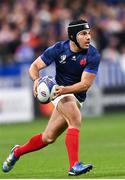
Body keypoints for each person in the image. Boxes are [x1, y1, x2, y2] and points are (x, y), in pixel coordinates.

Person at [2, 19, 101, 176]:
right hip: (58, 93)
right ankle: (74, 165)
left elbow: (85, 85)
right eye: (83, 34)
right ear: (73, 36)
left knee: (48, 138)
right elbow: (34, 67)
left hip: (71, 93)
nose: (88, 37)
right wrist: (36, 80)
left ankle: (17, 152)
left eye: (89, 33)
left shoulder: (93, 54)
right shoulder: (58, 49)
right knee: (75, 119)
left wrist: (64, 90)